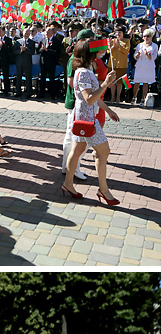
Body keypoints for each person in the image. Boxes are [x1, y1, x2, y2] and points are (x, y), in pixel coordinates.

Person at [62, 39, 120, 208]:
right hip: (87, 121)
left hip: (82, 119)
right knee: (104, 151)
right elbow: (90, 99)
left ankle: (68, 184)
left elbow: (93, 97)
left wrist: (108, 110)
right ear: (90, 53)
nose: (101, 52)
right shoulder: (85, 72)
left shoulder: (83, 70)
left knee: (77, 150)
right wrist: (106, 84)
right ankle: (103, 189)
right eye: (97, 50)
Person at [132, 26, 158, 103]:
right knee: (136, 82)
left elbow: (154, 57)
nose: (146, 38)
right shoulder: (139, 45)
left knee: (145, 83)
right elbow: (135, 56)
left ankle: (143, 99)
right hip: (140, 65)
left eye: (148, 36)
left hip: (148, 66)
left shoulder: (155, 46)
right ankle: (134, 97)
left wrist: (148, 55)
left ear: (151, 37)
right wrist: (138, 55)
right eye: (144, 36)